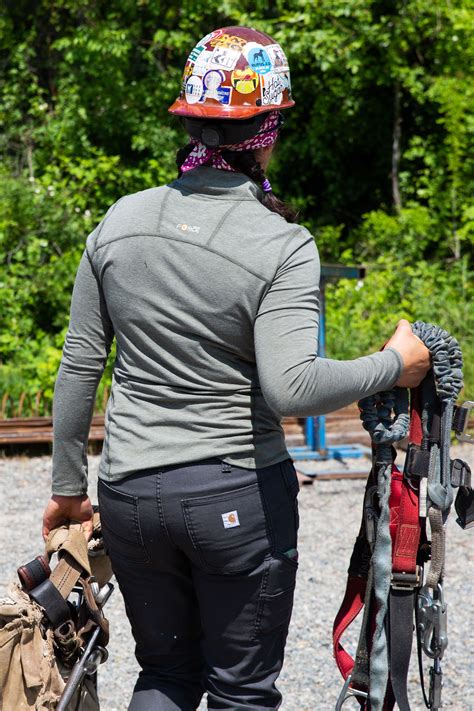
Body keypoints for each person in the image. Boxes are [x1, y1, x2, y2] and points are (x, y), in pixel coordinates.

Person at [42, 26, 430, 711]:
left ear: (187, 120)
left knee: (164, 673)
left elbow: (79, 368)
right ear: (269, 130)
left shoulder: (119, 222)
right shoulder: (281, 244)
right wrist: (393, 363)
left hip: (130, 495)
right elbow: (293, 386)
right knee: (240, 692)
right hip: (234, 497)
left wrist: (69, 487)